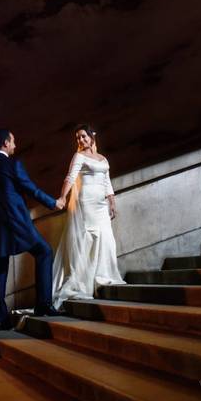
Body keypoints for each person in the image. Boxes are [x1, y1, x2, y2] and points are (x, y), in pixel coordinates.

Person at [0, 128, 66, 330]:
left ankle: (0, 321)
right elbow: (31, 189)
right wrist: (53, 203)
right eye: (13, 142)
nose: (15, 145)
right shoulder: (13, 165)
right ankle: (43, 305)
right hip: (16, 222)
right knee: (44, 251)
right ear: (5, 143)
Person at [51, 124, 125, 310]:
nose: (81, 140)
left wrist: (112, 202)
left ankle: (104, 276)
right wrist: (62, 196)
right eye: (78, 138)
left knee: (106, 239)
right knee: (88, 239)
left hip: (101, 204)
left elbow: (107, 182)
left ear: (92, 136)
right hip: (86, 202)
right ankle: (83, 282)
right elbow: (70, 177)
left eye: (84, 136)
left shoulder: (102, 158)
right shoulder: (79, 156)